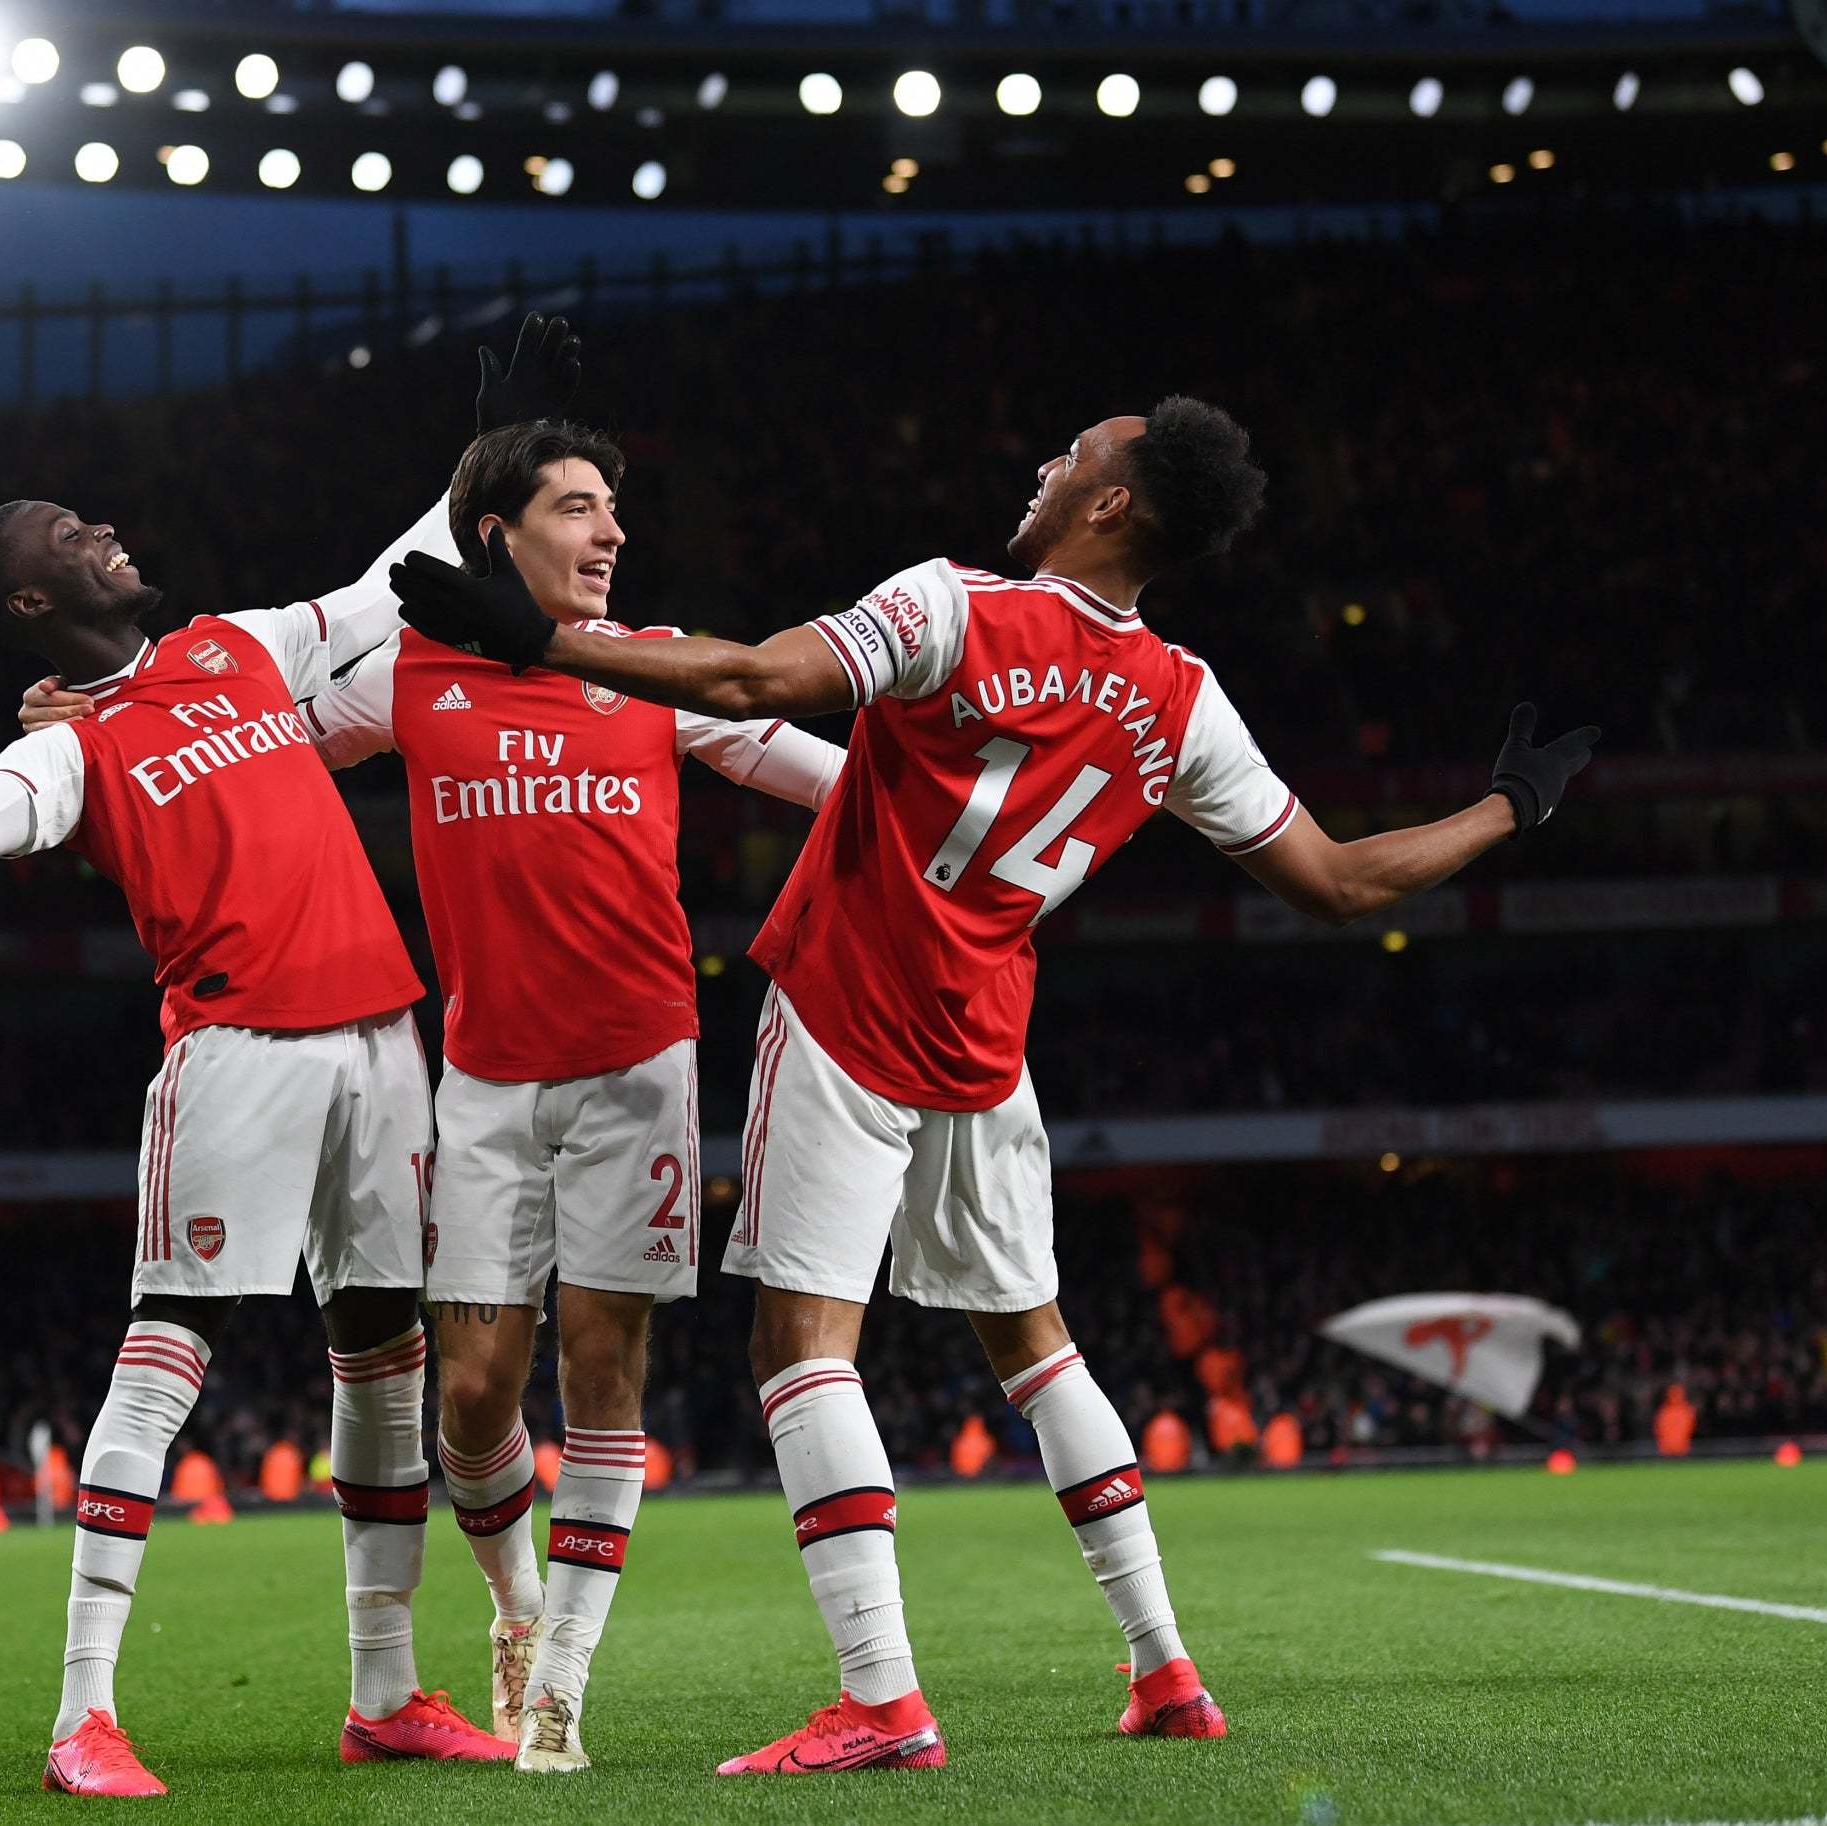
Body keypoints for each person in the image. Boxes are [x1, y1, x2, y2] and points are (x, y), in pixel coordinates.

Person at [392, 397, 1600, 1773]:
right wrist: (1509, 807)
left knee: (800, 1349)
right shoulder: (1181, 698)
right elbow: (1333, 881)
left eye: (1071, 455)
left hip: (849, 1010)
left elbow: (748, 685)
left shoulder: (949, 608)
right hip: (983, 1040)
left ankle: (880, 1698)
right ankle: (1164, 1666)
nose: (1042, 463)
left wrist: (539, 641)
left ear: (1110, 505)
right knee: (1035, 1344)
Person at [0, 328, 578, 1795]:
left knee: (382, 1361)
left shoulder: (232, 644)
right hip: (237, 1052)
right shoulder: (69, 746)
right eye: (73, 535)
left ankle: (384, 1690)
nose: (106, 532)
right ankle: (82, 1711)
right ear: (31, 597)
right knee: (165, 1363)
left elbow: (399, 567)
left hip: (385, 1039)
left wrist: (492, 446)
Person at [23, 417, 842, 1773]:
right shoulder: (412, 674)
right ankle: (474, 1629)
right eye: (580, 507)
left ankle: (541, 1659)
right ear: (496, 536)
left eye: (610, 510)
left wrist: (966, 821)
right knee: (467, 1393)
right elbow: (240, 739)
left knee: (597, 1374)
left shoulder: (657, 671)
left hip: (639, 1073)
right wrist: (88, 715)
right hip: (475, 1085)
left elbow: (835, 783)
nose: (611, 532)